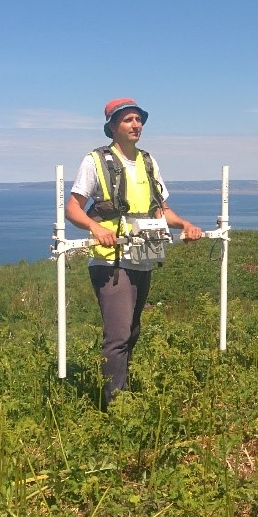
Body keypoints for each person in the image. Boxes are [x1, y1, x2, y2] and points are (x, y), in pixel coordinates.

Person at [65, 98, 202, 407]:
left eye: (138, 119)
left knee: (132, 330)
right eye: (128, 120)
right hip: (110, 261)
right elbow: (72, 208)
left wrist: (185, 224)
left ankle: (121, 394)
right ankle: (115, 406)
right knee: (117, 336)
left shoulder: (148, 162)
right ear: (112, 127)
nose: (135, 124)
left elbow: (160, 210)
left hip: (143, 257)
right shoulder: (96, 161)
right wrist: (96, 228)